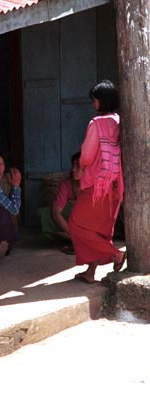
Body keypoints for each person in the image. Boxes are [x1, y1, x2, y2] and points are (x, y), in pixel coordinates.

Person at [69, 80, 126, 284]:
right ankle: (90, 272)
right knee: (99, 230)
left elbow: (86, 155)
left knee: (76, 224)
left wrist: (83, 165)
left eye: (95, 100)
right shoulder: (119, 121)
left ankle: (116, 254)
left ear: (101, 101)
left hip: (97, 184)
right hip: (115, 184)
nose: (94, 104)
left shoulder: (97, 123)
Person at [38, 152, 82, 254]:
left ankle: (81, 241)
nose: (74, 170)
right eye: (73, 166)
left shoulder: (94, 185)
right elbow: (56, 212)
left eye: (78, 167)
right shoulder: (66, 185)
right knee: (45, 213)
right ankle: (76, 240)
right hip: (72, 227)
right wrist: (72, 234)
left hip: (90, 224)